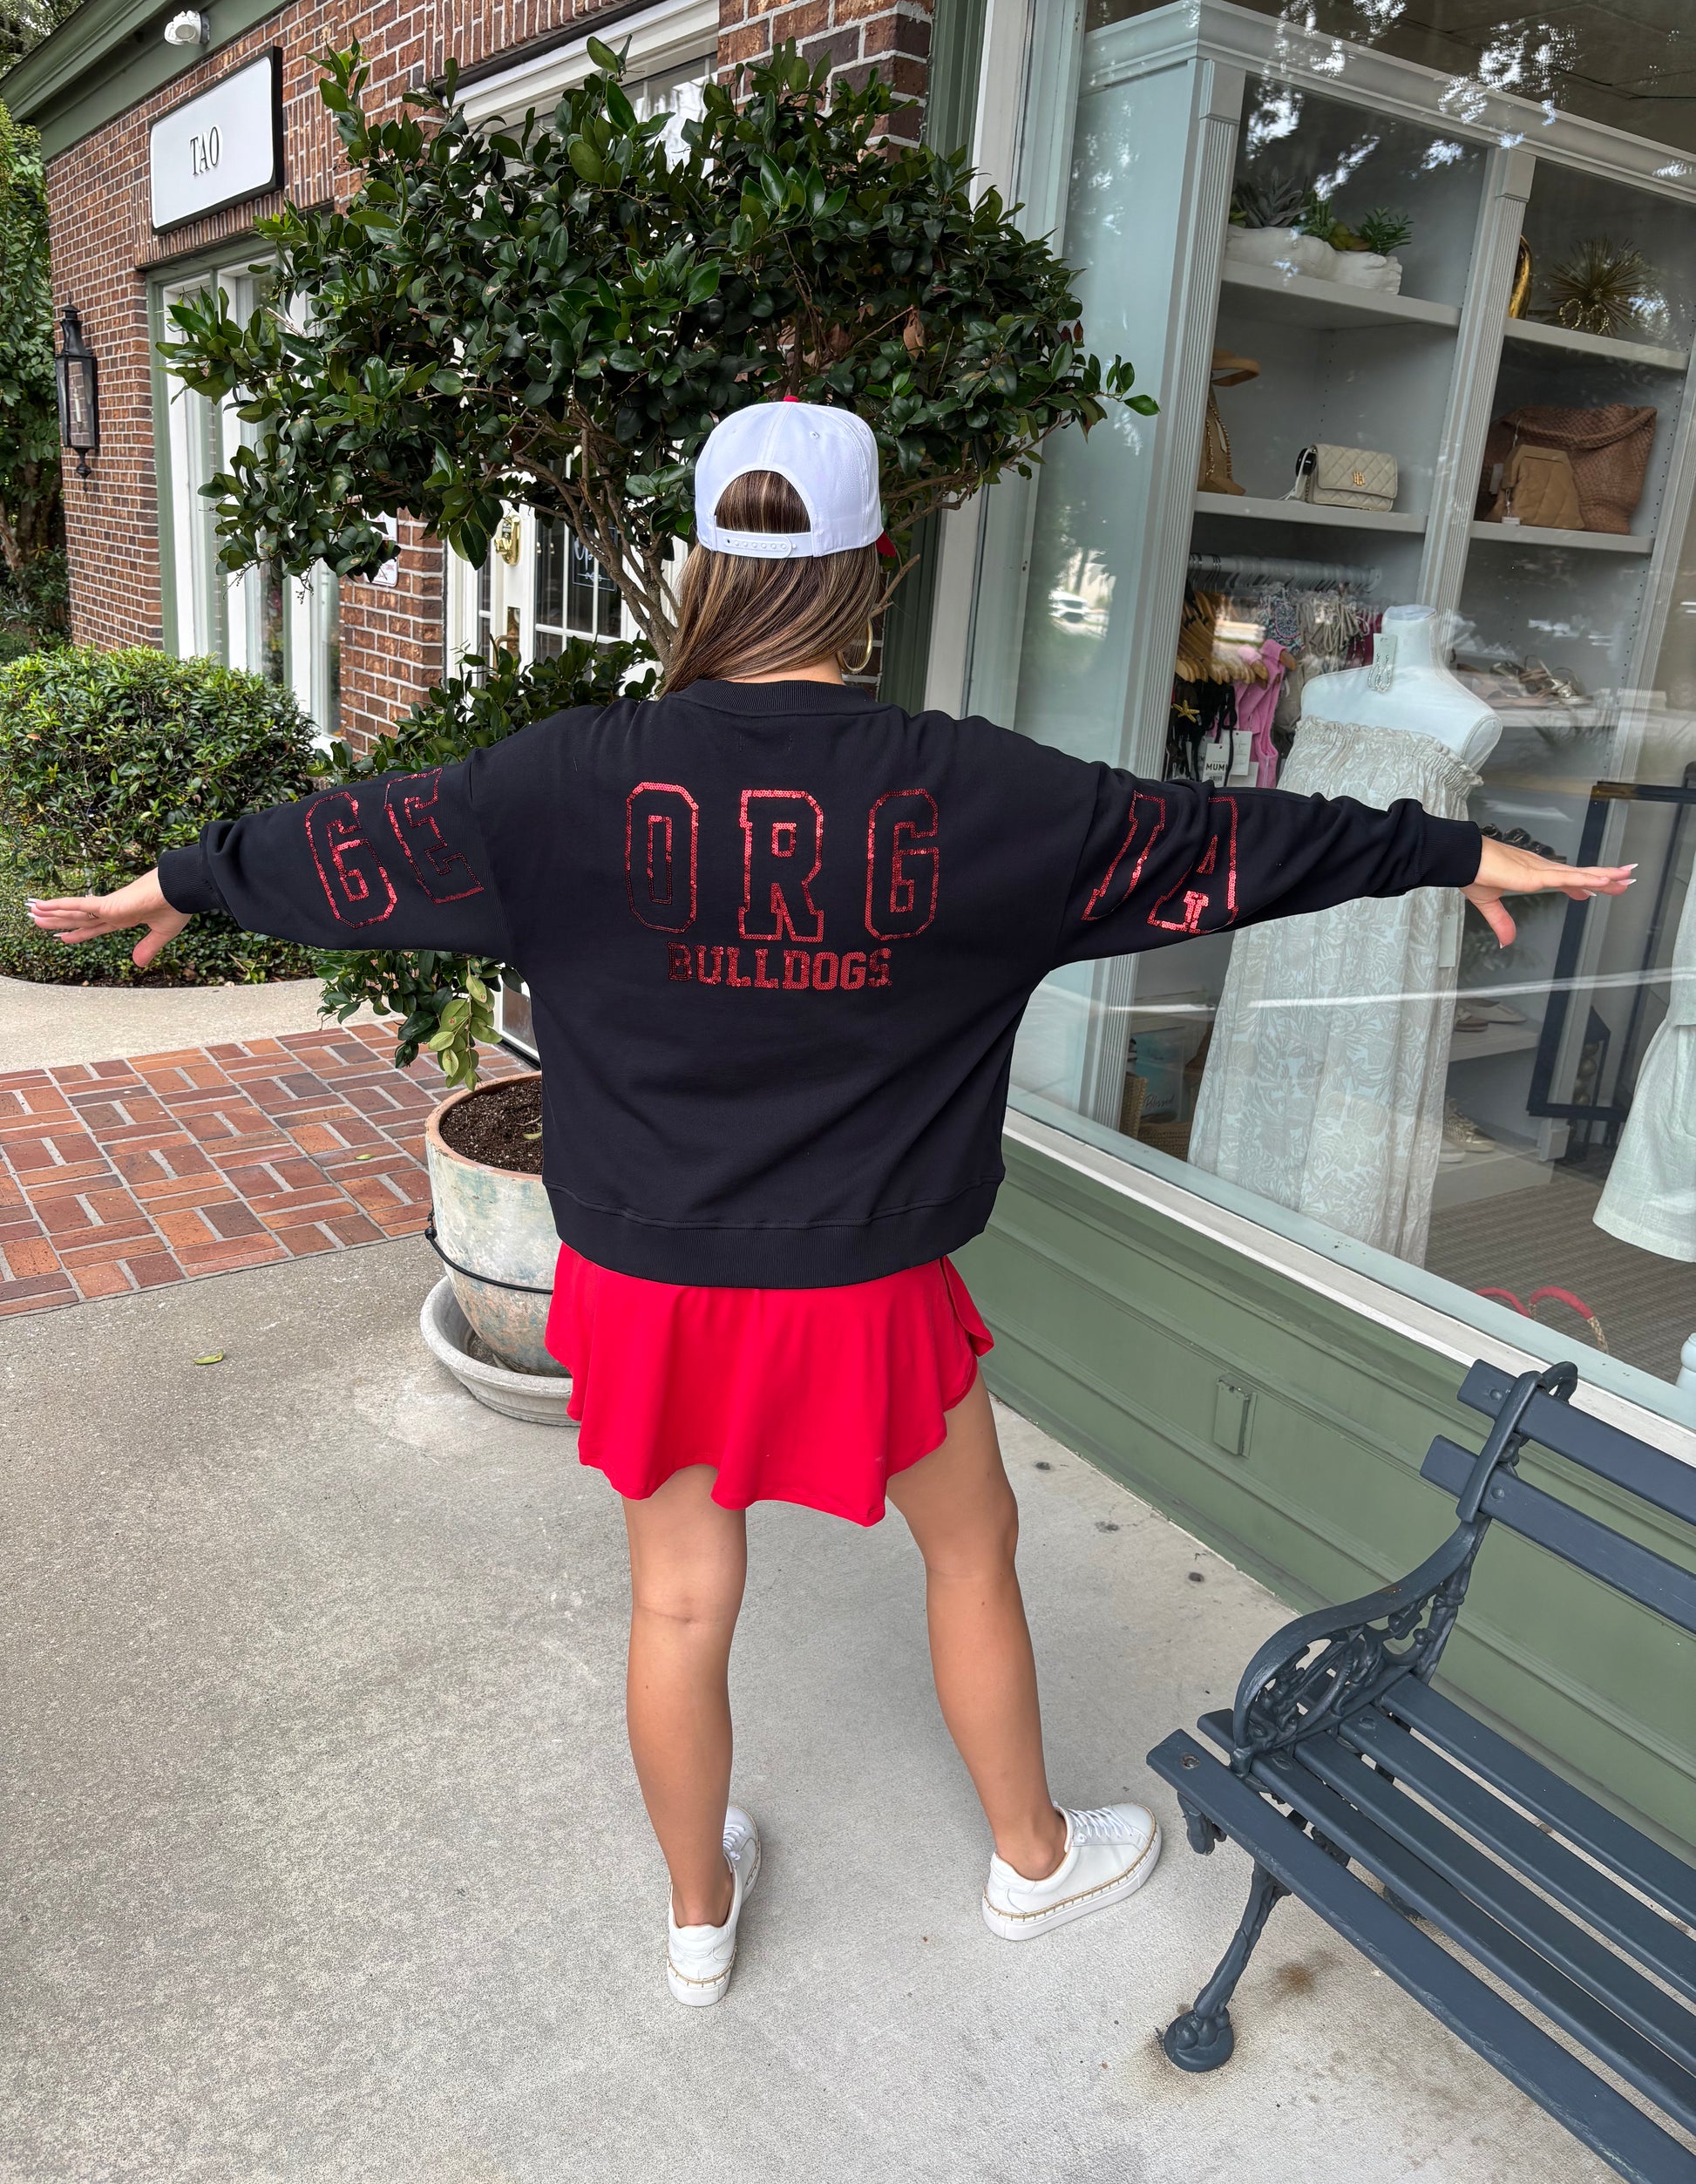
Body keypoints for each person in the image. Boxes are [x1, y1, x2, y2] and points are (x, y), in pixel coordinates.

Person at [31, 403, 1632, 2009]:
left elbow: (348, 842)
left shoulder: (559, 781)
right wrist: (1448, 850)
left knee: (673, 1594)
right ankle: (1028, 1859)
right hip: (866, 1288)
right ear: (873, 565)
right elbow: (1230, 839)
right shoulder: (986, 797)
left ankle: (695, 1915)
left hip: (646, 1285)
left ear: (705, 566)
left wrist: (173, 882)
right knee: (971, 1553)